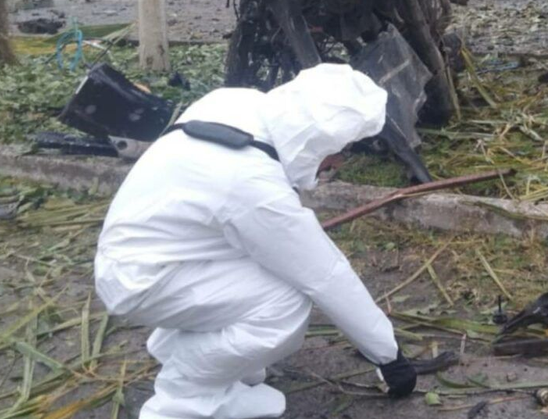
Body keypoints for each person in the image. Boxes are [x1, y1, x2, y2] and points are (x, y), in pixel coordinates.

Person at [94, 64, 417, 419]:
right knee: (284, 303)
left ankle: (215, 373)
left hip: (152, 253)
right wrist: (388, 355)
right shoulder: (252, 185)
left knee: (267, 271)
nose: (341, 160)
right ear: (316, 139)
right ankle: (184, 399)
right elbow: (324, 274)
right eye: (344, 148)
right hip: (143, 280)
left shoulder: (236, 104)